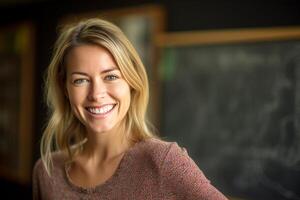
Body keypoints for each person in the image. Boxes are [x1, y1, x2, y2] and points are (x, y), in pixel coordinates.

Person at [32, 18, 228, 200]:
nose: (96, 94)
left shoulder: (163, 161)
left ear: (132, 82)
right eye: (80, 80)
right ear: (65, 88)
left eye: (111, 76)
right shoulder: (47, 171)